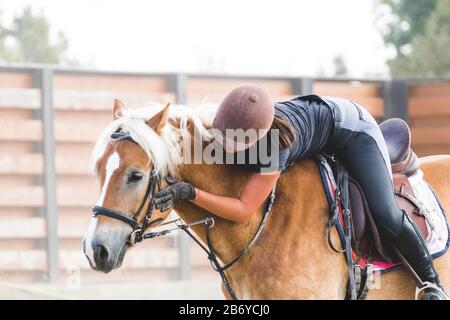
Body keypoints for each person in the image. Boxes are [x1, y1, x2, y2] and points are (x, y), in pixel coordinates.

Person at [154, 84, 447, 300]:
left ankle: (431, 284)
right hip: (317, 121)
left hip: (354, 131)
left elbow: (244, 209)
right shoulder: (231, 123)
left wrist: (191, 193)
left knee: (385, 211)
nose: (228, 152)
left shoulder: (273, 146)